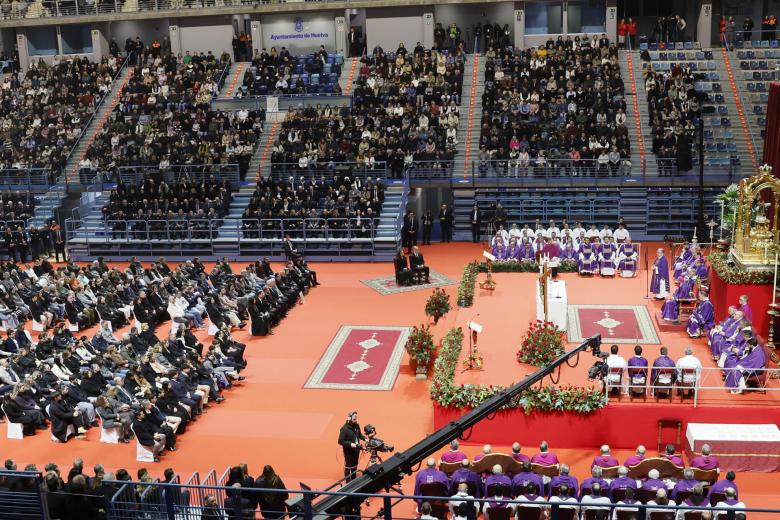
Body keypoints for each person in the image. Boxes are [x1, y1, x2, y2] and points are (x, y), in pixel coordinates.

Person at [338, 411, 365, 481]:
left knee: (355, 466)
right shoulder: (344, 429)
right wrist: (350, 444)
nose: (356, 421)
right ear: (349, 419)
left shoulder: (356, 425)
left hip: (357, 450)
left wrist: (365, 438)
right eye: (354, 419)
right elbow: (340, 441)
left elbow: (360, 435)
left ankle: (353, 480)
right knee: (348, 466)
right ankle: (347, 481)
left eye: (356, 419)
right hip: (348, 452)